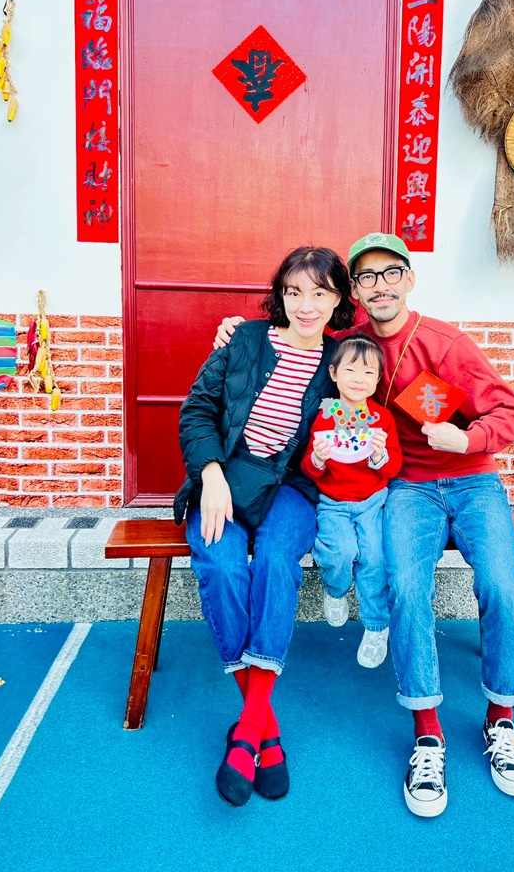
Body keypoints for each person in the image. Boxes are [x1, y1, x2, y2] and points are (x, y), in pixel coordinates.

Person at [214, 232, 514, 817]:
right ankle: (428, 733)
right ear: (354, 293)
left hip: (471, 478)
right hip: (404, 487)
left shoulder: (446, 343)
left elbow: (510, 412)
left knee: (504, 586)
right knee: (405, 585)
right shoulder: (349, 347)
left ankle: (502, 717)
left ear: (409, 279)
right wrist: (237, 332)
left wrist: (467, 438)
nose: (380, 286)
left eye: (391, 273)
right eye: (367, 277)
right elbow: (293, 340)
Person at [174, 245, 356, 808]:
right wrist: (210, 473)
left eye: (320, 293)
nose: (306, 306)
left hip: (292, 487)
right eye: (294, 291)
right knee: (222, 564)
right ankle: (264, 728)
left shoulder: (340, 361)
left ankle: (249, 726)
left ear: (338, 299)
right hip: (225, 478)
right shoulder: (244, 340)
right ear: (280, 293)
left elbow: (360, 420)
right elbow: (196, 410)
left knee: (278, 560)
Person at [300, 334, 402, 669]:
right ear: (333, 373)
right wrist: (317, 457)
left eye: (368, 372)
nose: (359, 379)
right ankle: (335, 589)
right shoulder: (324, 416)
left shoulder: (381, 419)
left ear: (378, 379)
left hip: (373, 501)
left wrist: (380, 454)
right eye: (351, 370)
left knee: (374, 558)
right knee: (340, 552)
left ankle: (376, 626)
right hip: (332, 501)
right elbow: (308, 468)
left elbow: (393, 468)